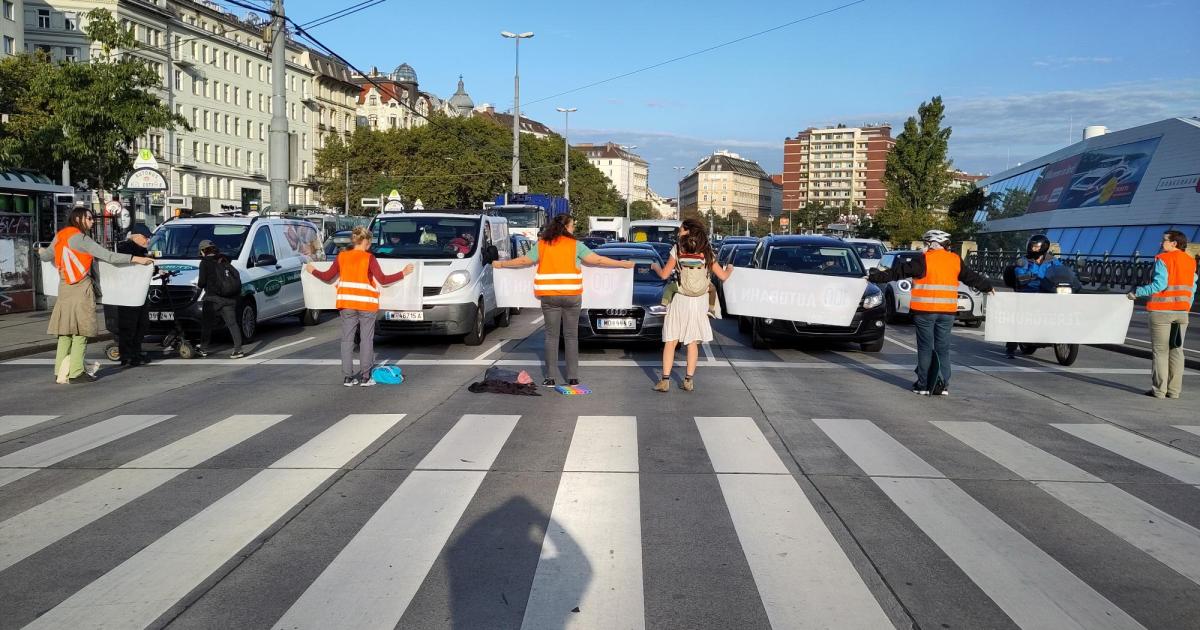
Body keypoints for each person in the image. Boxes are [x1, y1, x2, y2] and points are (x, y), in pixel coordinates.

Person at [492, 214, 634, 387]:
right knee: (571, 337)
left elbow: (524, 261)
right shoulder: (575, 245)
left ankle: (550, 378)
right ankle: (573, 377)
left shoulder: (543, 245)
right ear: (566, 227)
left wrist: (501, 265)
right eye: (572, 225)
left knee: (551, 337)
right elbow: (597, 260)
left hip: (549, 296)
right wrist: (623, 264)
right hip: (572, 296)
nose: (573, 228)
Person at [868, 229, 993, 396]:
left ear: (934, 244)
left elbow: (898, 272)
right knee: (943, 348)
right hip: (947, 313)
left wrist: (875, 277)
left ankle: (924, 384)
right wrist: (988, 287)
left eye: (926, 243)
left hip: (925, 312)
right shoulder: (955, 260)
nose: (925, 247)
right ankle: (942, 384)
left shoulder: (923, 260)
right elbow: (971, 277)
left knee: (926, 348)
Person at [37, 207, 154, 384]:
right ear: (79, 219)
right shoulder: (81, 239)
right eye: (89, 219)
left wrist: (40, 251)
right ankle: (76, 372)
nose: (92, 222)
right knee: (80, 332)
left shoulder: (60, 235)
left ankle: (60, 371)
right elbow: (108, 256)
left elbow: (46, 257)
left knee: (65, 333)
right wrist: (137, 259)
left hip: (64, 288)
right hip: (80, 288)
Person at [306, 226, 414, 386]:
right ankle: (365, 376)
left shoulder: (342, 256)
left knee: (347, 340)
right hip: (366, 304)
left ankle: (348, 377)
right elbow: (383, 280)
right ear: (366, 242)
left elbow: (327, 277)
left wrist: (312, 270)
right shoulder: (369, 258)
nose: (370, 245)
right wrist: (403, 273)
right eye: (370, 242)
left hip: (346, 303)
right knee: (366, 340)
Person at [650, 218, 733, 392]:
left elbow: (665, 275)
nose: (678, 232)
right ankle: (688, 380)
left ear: (688, 231)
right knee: (693, 342)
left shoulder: (677, 249)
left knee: (671, 340)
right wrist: (730, 269)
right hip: (699, 300)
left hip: (680, 298)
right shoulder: (707, 251)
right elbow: (723, 277)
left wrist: (655, 267)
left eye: (680, 229)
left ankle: (665, 381)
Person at [1128, 230, 1196, 399]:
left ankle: (1159, 390)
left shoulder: (1163, 259)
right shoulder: (1190, 261)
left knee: (1161, 351)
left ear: (1174, 243)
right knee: (1177, 351)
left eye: (1164, 240)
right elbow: (1192, 287)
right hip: (1182, 312)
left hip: (1161, 312)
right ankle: (1174, 391)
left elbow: (1159, 285)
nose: (1161, 243)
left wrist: (1137, 292)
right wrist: (1186, 306)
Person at [1002, 234, 1068, 358]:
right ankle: (1010, 348)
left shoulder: (1053, 261)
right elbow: (1019, 271)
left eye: (1036, 247)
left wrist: (1074, 277)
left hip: (1048, 291)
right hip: (1029, 292)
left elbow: (1062, 271)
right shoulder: (1025, 260)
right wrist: (1026, 276)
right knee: (1018, 318)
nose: (1033, 249)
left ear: (1044, 247)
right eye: (1032, 246)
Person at [196, 239, 246, 359]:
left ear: (203, 251)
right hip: (229, 298)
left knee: (207, 324)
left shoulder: (205, 263)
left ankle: (203, 349)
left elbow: (201, 283)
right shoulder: (224, 260)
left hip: (213, 299)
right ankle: (238, 350)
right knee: (232, 324)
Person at [115, 224, 155, 367]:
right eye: (146, 237)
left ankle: (135, 353)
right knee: (129, 326)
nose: (148, 240)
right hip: (128, 294)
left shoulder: (141, 250)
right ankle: (127, 355)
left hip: (140, 292)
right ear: (136, 236)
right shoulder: (125, 248)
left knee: (141, 325)